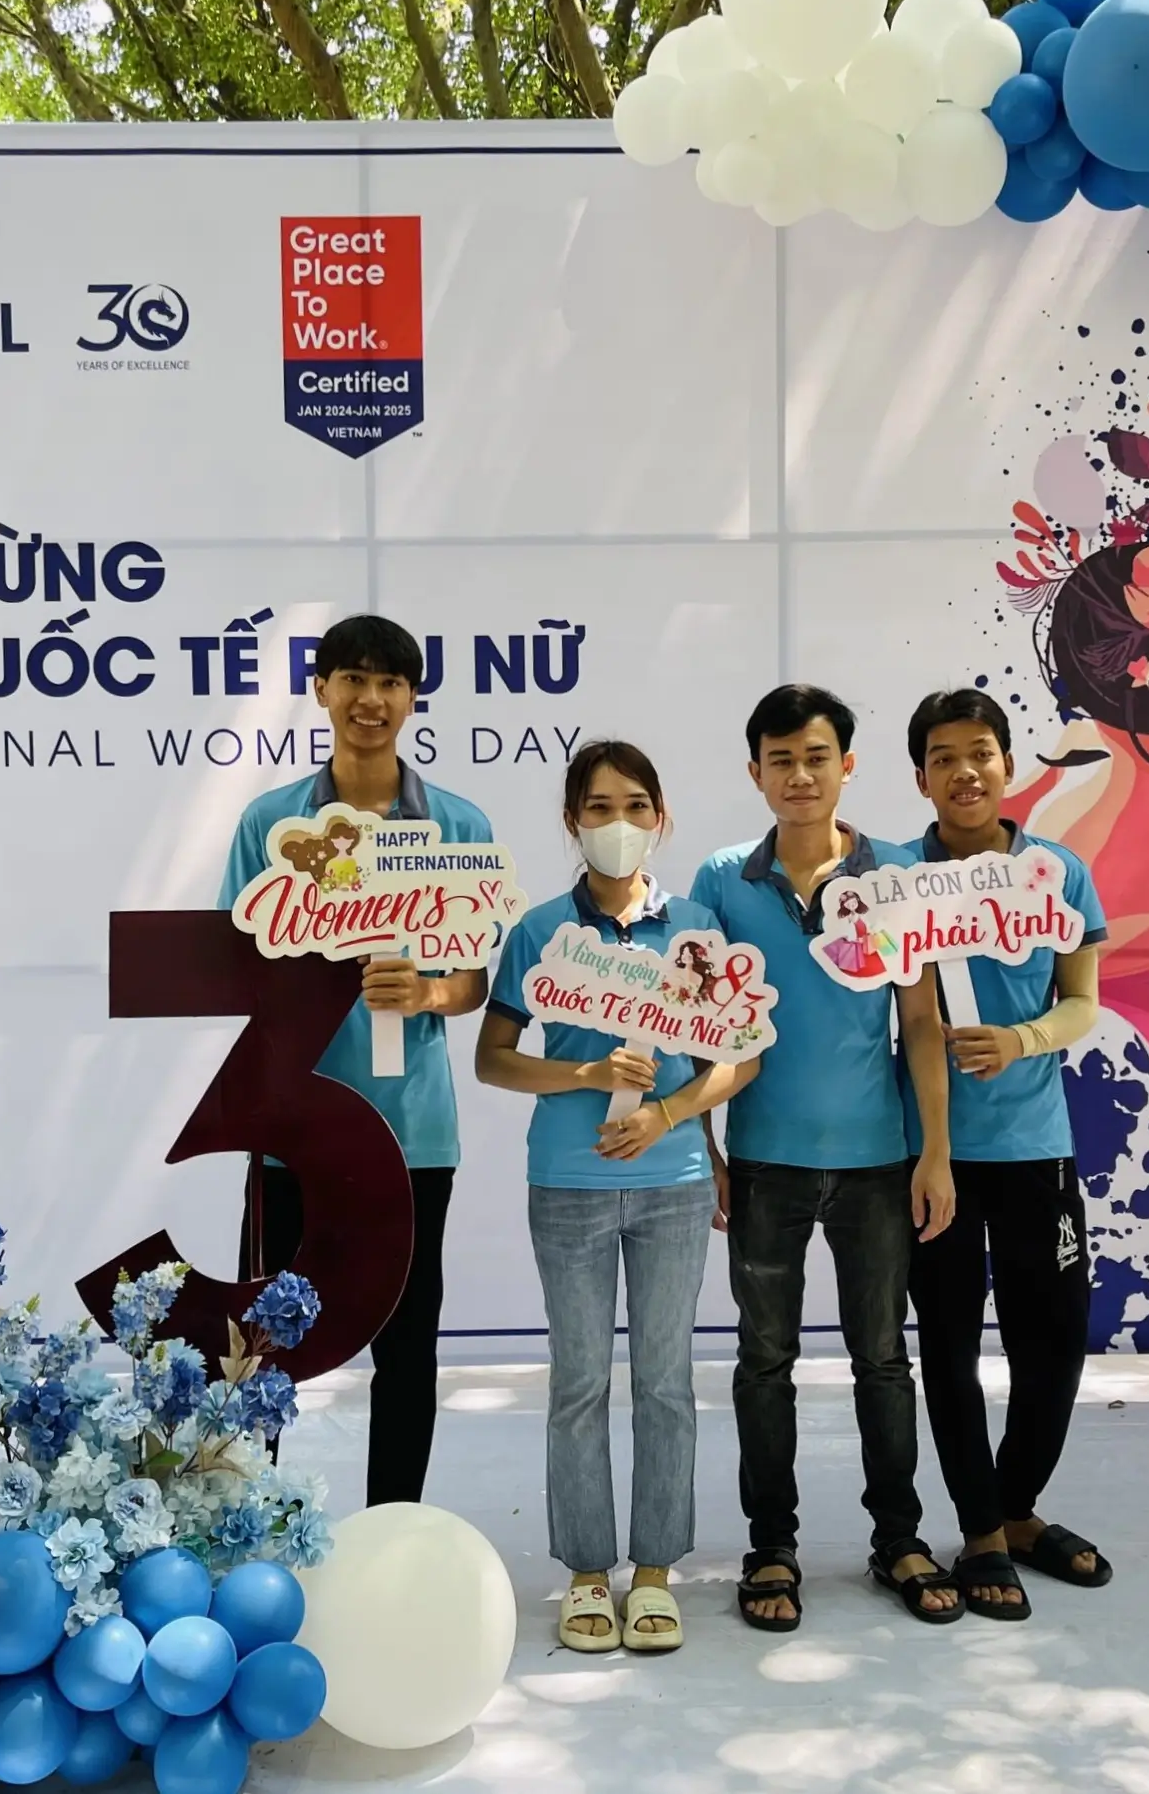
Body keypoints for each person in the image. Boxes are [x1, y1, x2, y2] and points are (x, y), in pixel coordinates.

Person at [688, 684, 961, 1630]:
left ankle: (898, 1539)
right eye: (780, 760)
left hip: (878, 1164)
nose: (799, 776)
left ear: (848, 766)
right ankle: (772, 1547)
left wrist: (936, 1154)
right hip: (763, 1162)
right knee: (763, 1361)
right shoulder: (722, 881)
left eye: (816, 757)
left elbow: (922, 1026)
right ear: (755, 772)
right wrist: (707, 1146)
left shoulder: (893, 880)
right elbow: (697, 1027)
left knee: (883, 1360)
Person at [477, 742, 754, 1655]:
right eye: (599, 808)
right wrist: (584, 1071)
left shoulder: (698, 929)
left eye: (636, 805)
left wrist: (676, 1118)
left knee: (668, 1384)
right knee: (579, 1382)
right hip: (567, 1183)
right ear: (572, 821)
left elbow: (738, 1057)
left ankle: (656, 1573)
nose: (619, 825)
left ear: (662, 817)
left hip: (672, 1184)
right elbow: (493, 1057)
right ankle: (589, 1574)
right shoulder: (539, 933)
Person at [217, 614, 493, 1507]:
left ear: (413, 698)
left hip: (412, 1133)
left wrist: (426, 992)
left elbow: (476, 981)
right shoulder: (271, 822)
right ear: (322, 691)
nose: (371, 701)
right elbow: (233, 962)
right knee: (265, 1342)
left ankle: (394, 1527)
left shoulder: (456, 822)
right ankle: (246, 1520)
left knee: (407, 1343)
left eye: (390, 684)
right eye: (352, 680)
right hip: (292, 1132)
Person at [900, 688, 1109, 1619]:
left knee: (1054, 1340)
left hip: (1037, 1150)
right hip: (932, 1160)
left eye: (980, 752)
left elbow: (1082, 1003)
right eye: (944, 757)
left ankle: (1019, 1508)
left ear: (1007, 763)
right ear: (922, 778)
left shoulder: (1057, 872)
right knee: (947, 1346)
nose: (965, 772)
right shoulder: (892, 879)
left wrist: (1021, 1041)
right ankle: (979, 1528)